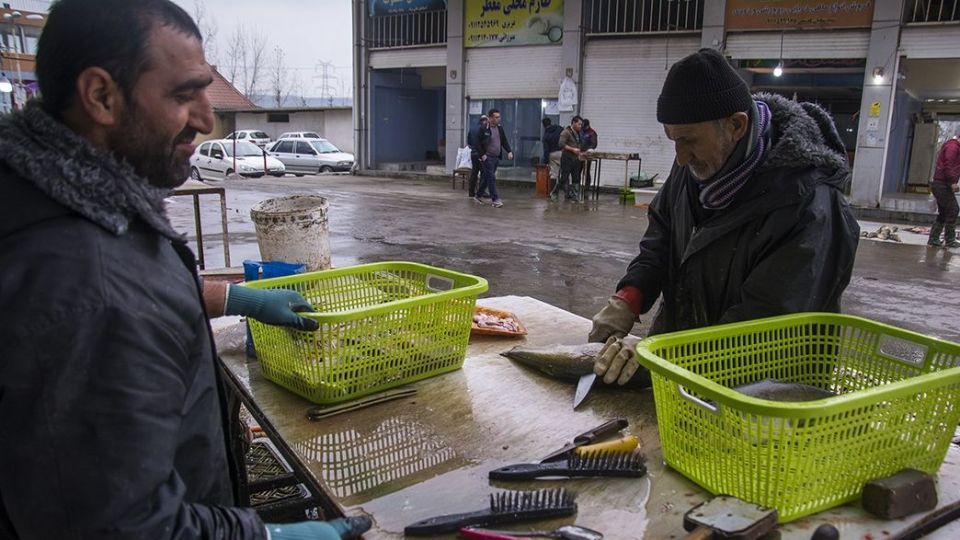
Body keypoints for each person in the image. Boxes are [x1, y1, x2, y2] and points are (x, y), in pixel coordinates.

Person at [0, 1, 370, 539]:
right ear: (101, 95)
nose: (205, 119)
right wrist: (267, 536)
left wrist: (233, 298)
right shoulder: (83, 280)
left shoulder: (55, 198)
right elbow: (121, 528)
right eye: (182, 94)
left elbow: (129, 290)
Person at [588, 48, 860, 386]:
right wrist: (631, 296)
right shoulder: (698, 165)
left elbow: (763, 330)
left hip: (763, 395)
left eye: (688, 141)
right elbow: (662, 237)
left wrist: (660, 353)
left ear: (735, 125)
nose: (681, 157)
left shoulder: (807, 205)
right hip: (682, 374)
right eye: (673, 141)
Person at [476, 108, 514, 208]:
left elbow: (504, 141)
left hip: (496, 157)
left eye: (499, 117)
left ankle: (478, 195)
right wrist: (482, 155)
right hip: (487, 157)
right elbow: (477, 143)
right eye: (496, 117)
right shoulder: (484, 129)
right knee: (491, 178)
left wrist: (509, 151)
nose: (499, 119)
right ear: (491, 118)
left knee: (486, 177)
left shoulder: (500, 128)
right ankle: (495, 200)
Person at [928, 135, 960, 247]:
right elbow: (948, 165)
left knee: (944, 212)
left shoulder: (955, 147)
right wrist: (953, 182)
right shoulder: (953, 147)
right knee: (953, 209)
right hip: (942, 184)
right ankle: (950, 240)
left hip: (942, 184)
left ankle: (933, 239)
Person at [552, 115, 583, 201]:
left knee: (576, 178)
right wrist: (573, 149)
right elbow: (561, 144)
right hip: (567, 158)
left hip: (576, 159)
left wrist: (581, 151)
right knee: (564, 178)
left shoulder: (578, 134)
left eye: (581, 125)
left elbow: (579, 144)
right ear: (573, 123)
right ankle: (554, 193)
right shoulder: (565, 132)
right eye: (579, 124)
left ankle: (575, 196)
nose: (580, 126)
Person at [466, 115, 488, 198]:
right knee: (483, 173)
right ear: (485, 121)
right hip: (481, 154)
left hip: (473, 154)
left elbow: (469, 142)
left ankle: (471, 192)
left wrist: (473, 148)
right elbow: (485, 142)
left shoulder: (472, 129)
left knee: (474, 173)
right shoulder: (483, 129)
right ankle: (481, 192)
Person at [542, 117, 563, 185]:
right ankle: (567, 191)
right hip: (561, 152)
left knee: (554, 174)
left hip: (552, 154)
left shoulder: (546, 135)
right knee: (564, 172)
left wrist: (546, 161)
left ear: (544, 125)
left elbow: (546, 150)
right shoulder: (559, 128)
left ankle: (554, 193)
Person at [580, 119, 599, 194]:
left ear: (587, 125)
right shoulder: (580, 131)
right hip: (579, 154)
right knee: (578, 171)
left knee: (586, 171)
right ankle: (577, 186)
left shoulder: (592, 133)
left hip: (587, 155)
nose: (581, 127)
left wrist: (587, 150)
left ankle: (586, 188)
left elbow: (594, 144)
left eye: (583, 125)